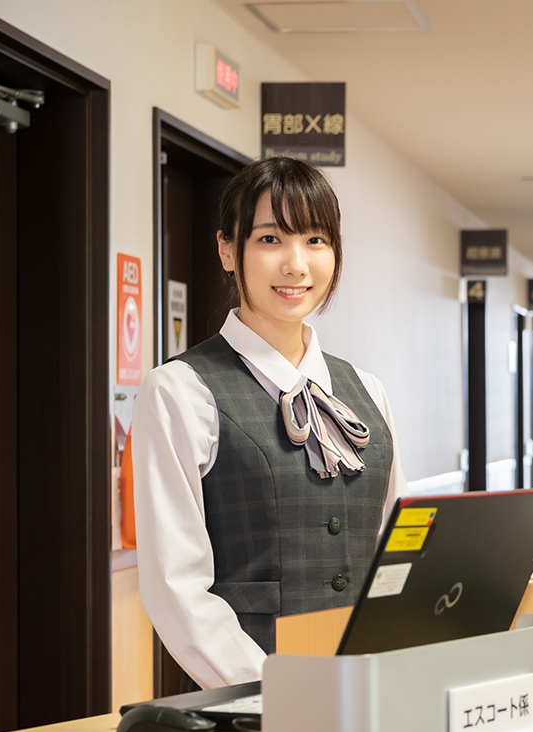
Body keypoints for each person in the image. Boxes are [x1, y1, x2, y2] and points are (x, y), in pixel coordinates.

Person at [132, 157, 407, 699]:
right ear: (228, 250)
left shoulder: (367, 392)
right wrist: (270, 691)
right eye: (270, 239)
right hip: (252, 706)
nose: (296, 264)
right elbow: (175, 587)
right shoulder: (181, 391)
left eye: (315, 240)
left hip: (371, 692)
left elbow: (390, 550)